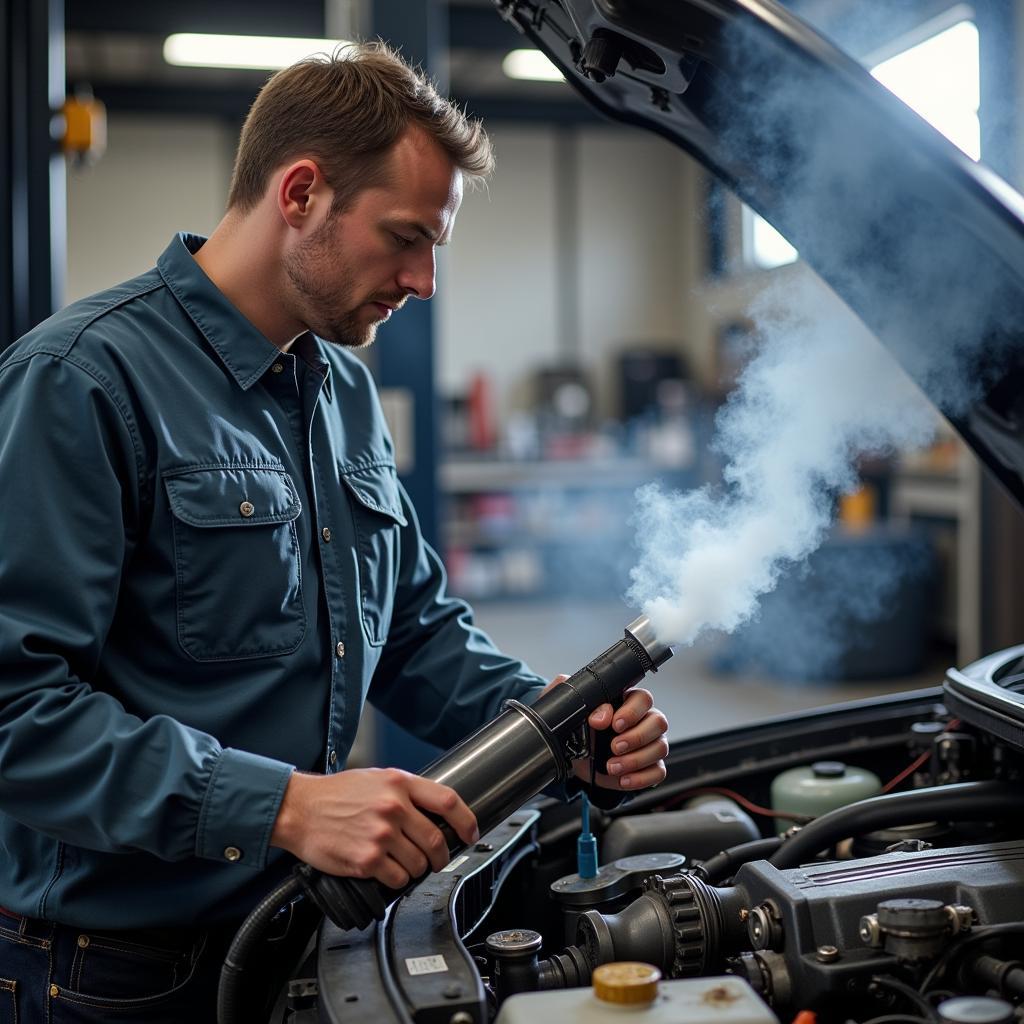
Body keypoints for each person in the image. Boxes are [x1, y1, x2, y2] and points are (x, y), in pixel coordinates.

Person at [0, 43, 670, 1021]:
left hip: (290, 926)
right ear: (301, 192)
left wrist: (549, 724)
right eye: (404, 237)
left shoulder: (343, 391)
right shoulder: (82, 380)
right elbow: (16, 710)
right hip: (107, 973)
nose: (424, 280)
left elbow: (409, 628)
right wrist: (283, 804)